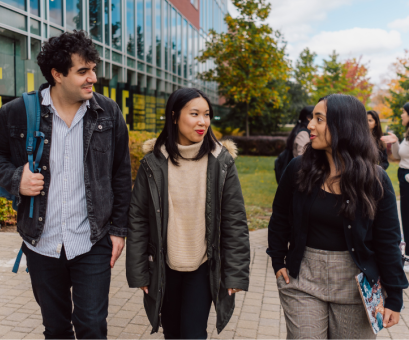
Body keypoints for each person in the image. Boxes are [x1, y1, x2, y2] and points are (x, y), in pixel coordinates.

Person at [0, 30, 132, 339]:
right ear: (57, 74)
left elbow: (120, 173)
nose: (93, 78)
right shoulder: (18, 112)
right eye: (83, 71)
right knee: (56, 328)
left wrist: (119, 230)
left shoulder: (108, 113)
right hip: (42, 242)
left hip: (92, 239)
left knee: (92, 326)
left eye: (93, 68)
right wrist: (16, 179)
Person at [267, 94, 408, 339]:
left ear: (343, 126)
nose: (310, 124)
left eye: (319, 119)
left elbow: (388, 240)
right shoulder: (298, 169)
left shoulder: (375, 180)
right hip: (303, 279)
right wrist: (278, 260)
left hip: (356, 285)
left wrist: (394, 297)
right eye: (312, 118)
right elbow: (279, 216)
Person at [126, 88, 250, 339]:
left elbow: (235, 220)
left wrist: (235, 273)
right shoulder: (153, 163)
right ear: (174, 117)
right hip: (164, 265)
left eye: (206, 114)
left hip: (203, 265)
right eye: (194, 114)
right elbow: (138, 219)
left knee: (193, 333)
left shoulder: (221, 161)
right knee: (171, 332)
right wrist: (139, 271)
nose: (203, 121)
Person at [381, 102, 409, 271]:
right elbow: (399, 156)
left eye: (404, 113)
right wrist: (396, 142)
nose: (401, 116)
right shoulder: (407, 135)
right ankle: (407, 255)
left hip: (408, 176)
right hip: (403, 176)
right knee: (405, 214)